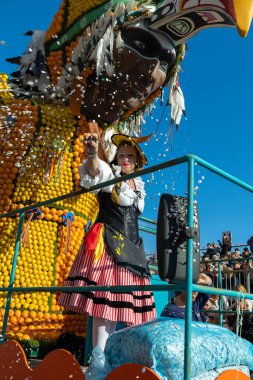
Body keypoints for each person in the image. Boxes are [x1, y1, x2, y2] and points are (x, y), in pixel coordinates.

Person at [59, 132, 156, 355]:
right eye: (121, 155)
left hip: (132, 247)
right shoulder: (109, 175)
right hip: (109, 243)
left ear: (137, 161)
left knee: (122, 306)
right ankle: (98, 358)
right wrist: (92, 153)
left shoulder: (139, 186)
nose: (125, 159)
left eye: (130, 156)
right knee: (104, 304)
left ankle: (117, 358)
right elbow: (94, 171)